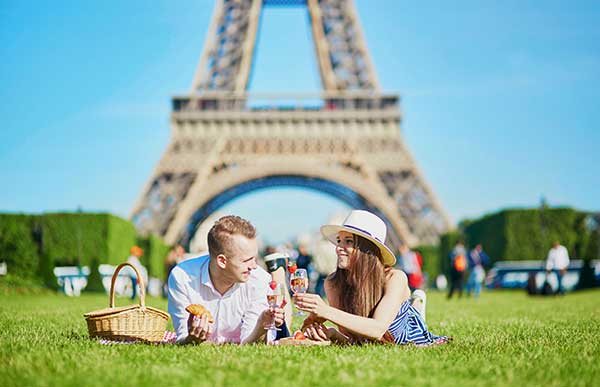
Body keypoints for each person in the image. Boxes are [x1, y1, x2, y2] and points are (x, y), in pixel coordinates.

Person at [294, 210, 448, 346]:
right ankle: (413, 304)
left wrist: (325, 311)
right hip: (378, 335)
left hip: (405, 334)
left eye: (348, 242)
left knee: (398, 312)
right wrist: (332, 334)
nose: (339, 247)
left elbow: (377, 329)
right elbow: (354, 340)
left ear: (366, 249)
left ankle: (415, 308)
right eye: (339, 241)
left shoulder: (395, 277)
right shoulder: (333, 283)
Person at [167, 215, 292, 344]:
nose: (254, 266)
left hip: (265, 291)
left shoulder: (259, 279)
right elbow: (182, 336)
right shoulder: (182, 276)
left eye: (254, 258)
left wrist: (260, 327)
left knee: (282, 317)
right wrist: (192, 339)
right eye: (247, 260)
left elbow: (248, 341)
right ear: (222, 261)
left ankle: (279, 273)